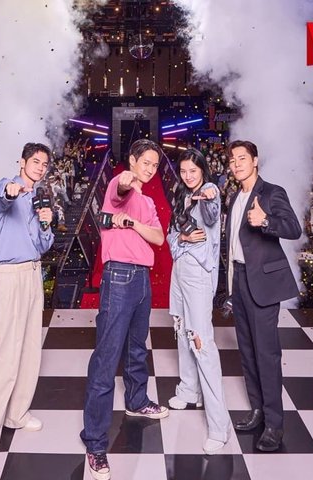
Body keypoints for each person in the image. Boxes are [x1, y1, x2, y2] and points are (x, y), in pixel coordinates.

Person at [80, 139, 168, 480]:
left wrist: (130, 224)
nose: (150, 169)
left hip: (142, 279)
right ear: (132, 160)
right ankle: (95, 442)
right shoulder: (119, 186)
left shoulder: (147, 201)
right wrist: (125, 181)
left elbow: (158, 238)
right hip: (118, 276)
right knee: (106, 358)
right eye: (145, 162)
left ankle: (136, 400)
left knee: (136, 347)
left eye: (154, 165)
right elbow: (120, 190)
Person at [0, 142, 54, 473]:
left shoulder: (39, 199)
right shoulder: (5, 186)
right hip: (8, 277)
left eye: (44, 164)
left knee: (30, 351)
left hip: (33, 275)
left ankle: (16, 414)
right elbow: (2, 196)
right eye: (35, 161)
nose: (40, 167)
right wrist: (12, 189)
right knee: (2, 357)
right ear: (22, 162)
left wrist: (46, 223)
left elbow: (43, 245)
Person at [226, 140, 302, 452]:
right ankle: (257, 411)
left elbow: (293, 228)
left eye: (242, 158)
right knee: (247, 352)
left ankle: (274, 424)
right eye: (232, 160)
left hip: (263, 284)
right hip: (239, 279)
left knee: (267, 355)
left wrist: (266, 221)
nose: (236, 164)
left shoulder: (271, 192)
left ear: (255, 161)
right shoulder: (235, 197)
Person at [167, 148, 231, 454]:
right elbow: (171, 235)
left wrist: (208, 193)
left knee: (201, 342)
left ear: (203, 170)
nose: (188, 176)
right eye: (183, 171)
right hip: (179, 271)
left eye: (193, 171)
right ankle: (188, 389)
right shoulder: (181, 194)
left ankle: (219, 425)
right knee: (181, 331)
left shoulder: (209, 192)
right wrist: (182, 238)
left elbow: (211, 209)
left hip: (199, 275)